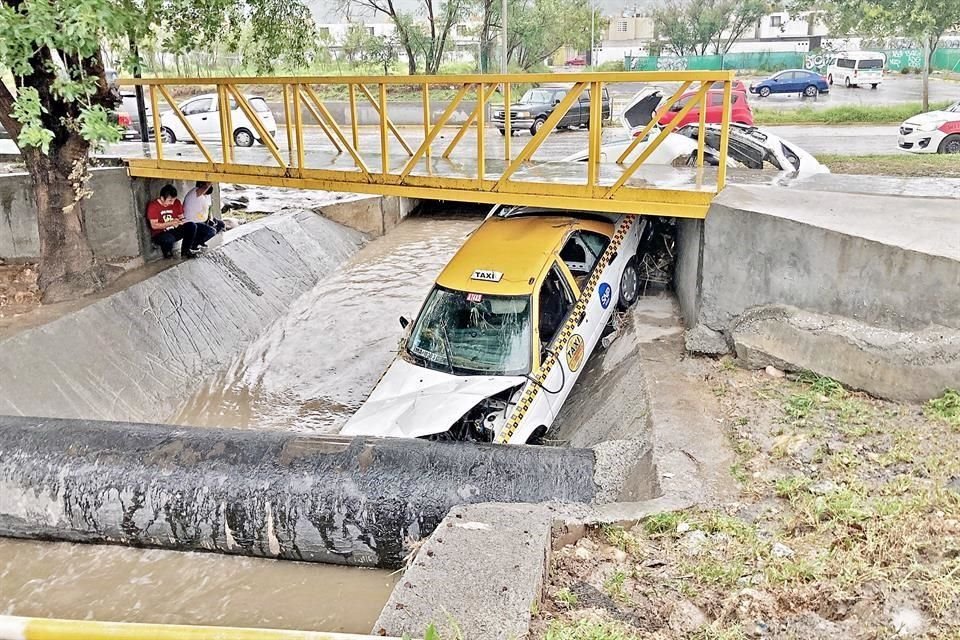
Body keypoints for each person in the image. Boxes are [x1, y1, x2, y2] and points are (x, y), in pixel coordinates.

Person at [145, 184, 201, 259]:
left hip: (174, 229)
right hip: (160, 233)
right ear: (162, 198)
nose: (172, 203)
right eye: (170, 200)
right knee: (168, 238)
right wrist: (170, 223)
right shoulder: (153, 206)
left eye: (173, 200)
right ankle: (168, 253)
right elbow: (154, 226)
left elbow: (181, 218)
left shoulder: (176, 202)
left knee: (192, 226)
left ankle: (186, 251)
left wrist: (180, 221)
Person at [182, 181, 224, 248]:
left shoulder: (204, 196)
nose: (209, 187)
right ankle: (194, 244)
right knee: (211, 231)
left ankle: (200, 242)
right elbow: (206, 186)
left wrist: (210, 219)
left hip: (202, 221)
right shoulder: (195, 192)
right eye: (207, 186)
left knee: (220, 224)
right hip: (192, 223)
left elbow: (207, 209)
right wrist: (211, 181)